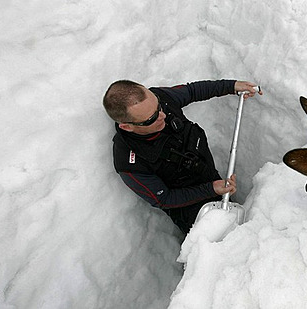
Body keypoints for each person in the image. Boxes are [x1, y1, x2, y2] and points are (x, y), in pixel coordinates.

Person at [103, 79, 262, 234]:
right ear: (127, 126)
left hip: (207, 173)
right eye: (151, 119)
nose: (163, 115)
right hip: (189, 208)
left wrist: (232, 86)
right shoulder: (130, 163)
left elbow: (192, 91)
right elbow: (164, 199)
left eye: (158, 106)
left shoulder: (160, 99)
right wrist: (211, 189)